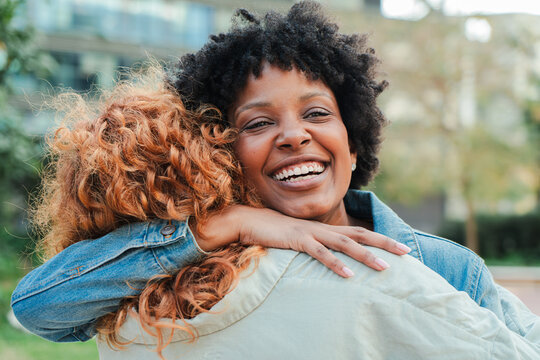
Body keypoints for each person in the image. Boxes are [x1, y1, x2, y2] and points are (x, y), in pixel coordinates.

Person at [11, 1, 539, 354]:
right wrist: (223, 226)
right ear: (223, 153)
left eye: (316, 114)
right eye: (259, 124)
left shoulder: (445, 267)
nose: (293, 136)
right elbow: (40, 308)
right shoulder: (215, 274)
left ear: (353, 145)